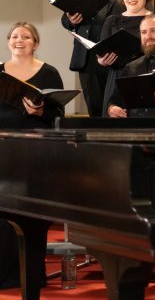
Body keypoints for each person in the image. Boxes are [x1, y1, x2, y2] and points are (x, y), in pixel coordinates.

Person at [0, 22, 64, 289]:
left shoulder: (49, 73)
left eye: (26, 36)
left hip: (35, 153)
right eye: (14, 36)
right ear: (7, 41)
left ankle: (31, 275)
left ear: (35, 43)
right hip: (3, 150)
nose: (19, 40)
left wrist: (40, 113)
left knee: (31, 216)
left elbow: (59, 115)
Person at [60, 0, 126, 117]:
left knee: (116, 111)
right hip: (87, 59)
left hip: (116, 58)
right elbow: (65, 20)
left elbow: (141, 17)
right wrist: (71, 20)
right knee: (94, 112)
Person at [97, 0, 154, 115]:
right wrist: (102, 61)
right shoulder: (112, 20)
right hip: (116, 76)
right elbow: (101, 53)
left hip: (146, 76)